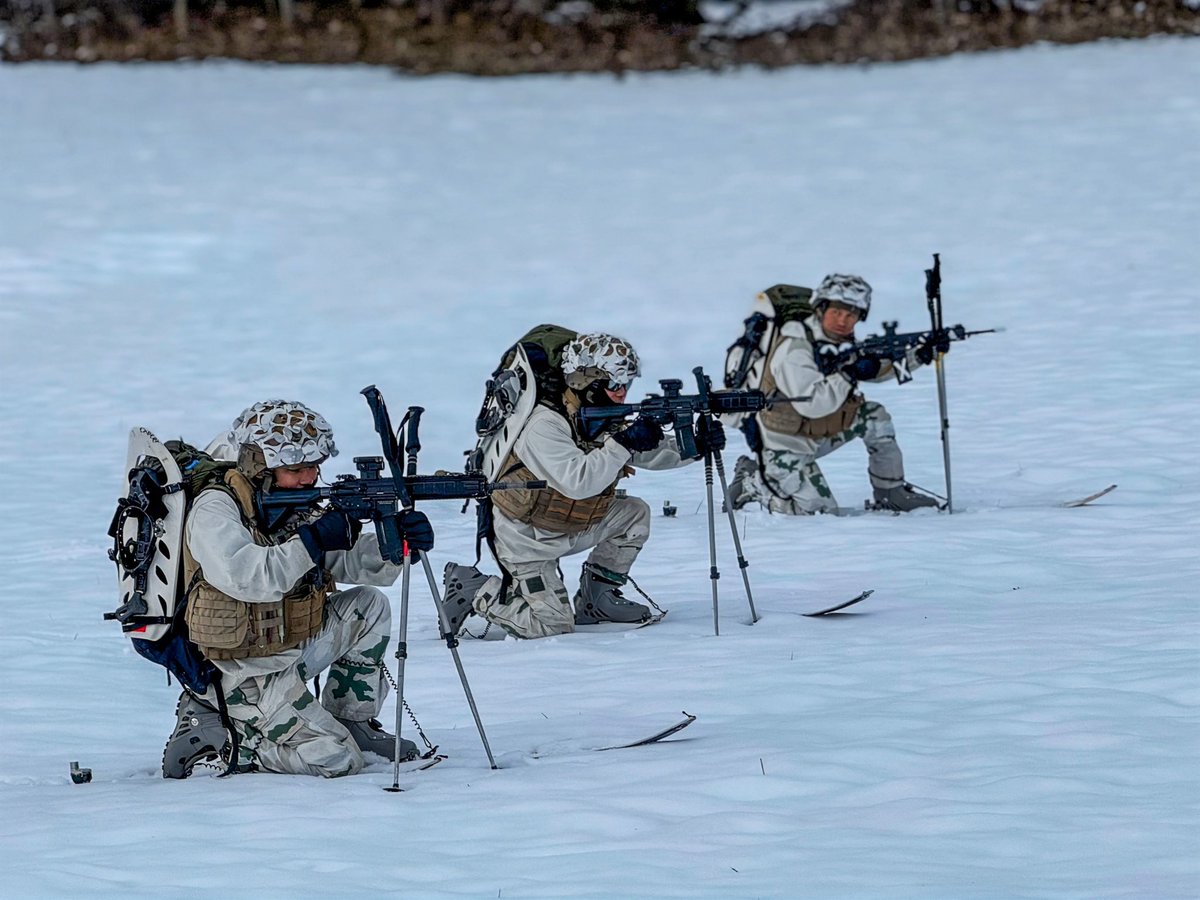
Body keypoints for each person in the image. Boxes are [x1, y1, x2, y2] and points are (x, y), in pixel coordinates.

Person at [161, 400, 435, 779]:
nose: (309, 477)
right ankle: (229, 741)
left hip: (286, 645)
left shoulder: (290, 503)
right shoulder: (215, 509)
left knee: (367, 607)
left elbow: (347, 560)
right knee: (338, 760)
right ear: (261, 467)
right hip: (241, 672)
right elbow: (247, 577)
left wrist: (398, 547)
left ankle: (351, 721)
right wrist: (312, 541)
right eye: (296, 469)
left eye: (314, 467)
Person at [440, 332, 723, 639]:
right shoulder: (543, 424)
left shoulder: (595, 415)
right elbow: (579, 481)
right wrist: (625, 442)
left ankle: (597, 600)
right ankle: (473, 587)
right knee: (553, 625)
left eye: (626, 385)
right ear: (587, 382)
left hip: (569, 524)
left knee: (633, 514)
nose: (621, 393)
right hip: (528, 541)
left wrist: (692, 446)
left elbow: (644, 450)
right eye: (614, 384)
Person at [728, 274, 946, 515]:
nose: (843, 320)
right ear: (821, 308)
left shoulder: (837, 341)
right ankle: (752, 481)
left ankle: (890, 492)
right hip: (784, 443)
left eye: (851, 315)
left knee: (873, 416)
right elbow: (811, 403)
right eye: (837, 312)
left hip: (816, 430)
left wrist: (918, 356)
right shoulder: (794, 347)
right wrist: (848, 374)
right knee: (819, 513)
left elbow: (873, 369)